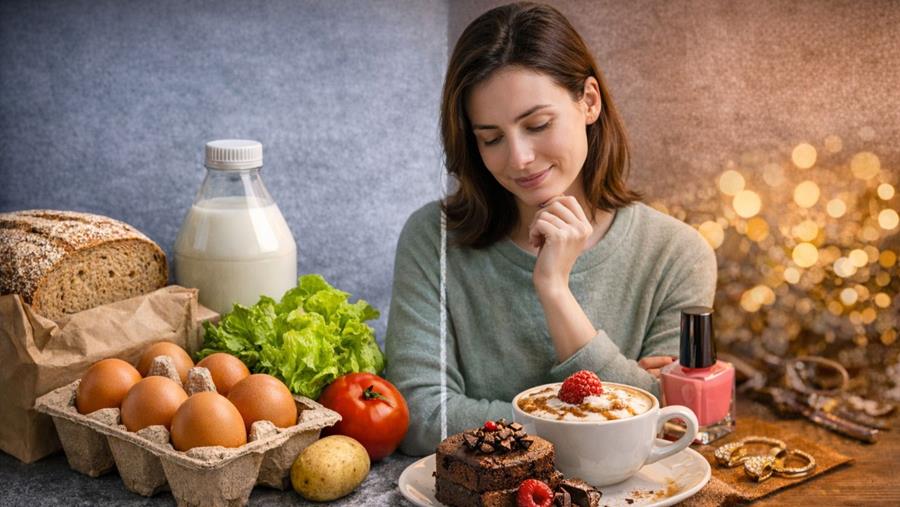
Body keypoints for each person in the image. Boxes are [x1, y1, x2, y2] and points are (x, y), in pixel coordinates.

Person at [385, 2, 716, 457]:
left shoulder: (677, 253)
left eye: (537, 124)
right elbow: (422, 418)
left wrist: (555, 289)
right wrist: (614, 406)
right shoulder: (433, 238)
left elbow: (671, 426)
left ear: (590, 101)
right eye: (491, 138)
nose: (519, 158)